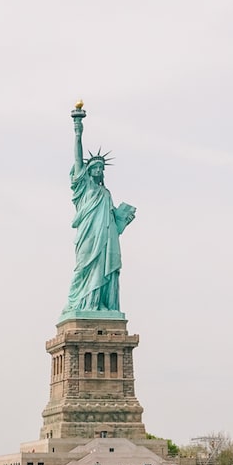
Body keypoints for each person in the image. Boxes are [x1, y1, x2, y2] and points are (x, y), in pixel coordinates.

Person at [63, 105, 135, 316]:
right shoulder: (83, 187)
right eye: (94, 167)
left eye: (100, 168)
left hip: (106, 237)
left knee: (105, 269)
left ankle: (100, 304)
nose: (98, 170)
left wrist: (123, 218)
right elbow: (78, 158)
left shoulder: (106, 194)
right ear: (88, 170)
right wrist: (78, 128)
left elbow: (114, 222)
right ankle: (81, 303)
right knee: (84, 267)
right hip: (88, 235)